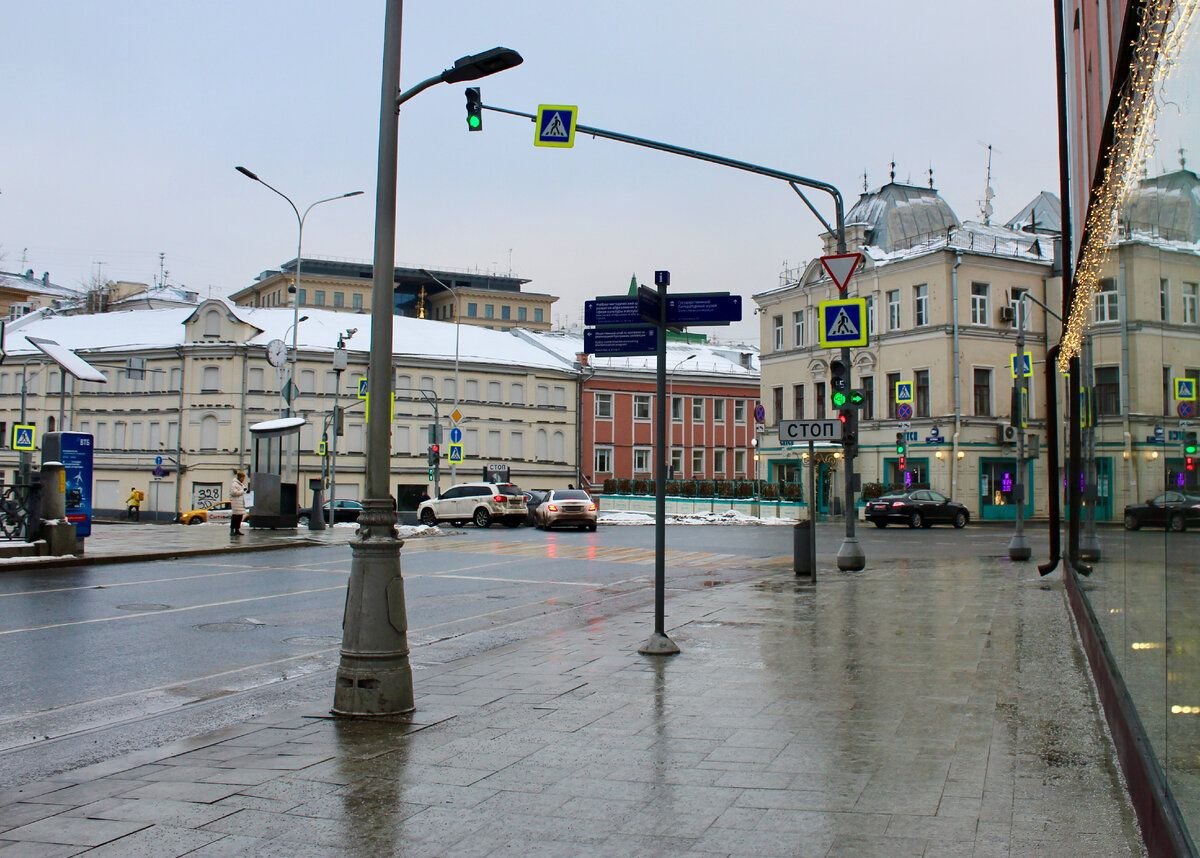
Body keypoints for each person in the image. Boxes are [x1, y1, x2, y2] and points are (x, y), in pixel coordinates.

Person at [229, 471, 248, 536]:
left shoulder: (241, 484)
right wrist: (243, 491)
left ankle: (237, 529)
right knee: (235, 516)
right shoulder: (234, 484)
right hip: (236, 503)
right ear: (240, 477)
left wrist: (246, 492)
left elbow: (242, 492)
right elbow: (234, 493)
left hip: (241, 503)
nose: (243, 479)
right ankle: (232, 530)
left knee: (239, 516)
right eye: (243, 478)